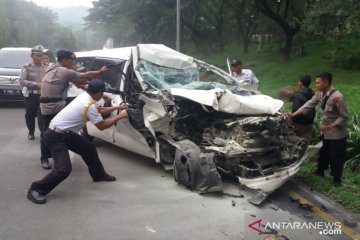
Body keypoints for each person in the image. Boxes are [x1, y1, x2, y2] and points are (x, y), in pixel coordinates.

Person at [27, 79, 128, 204]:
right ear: (98, 93)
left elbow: (99, 111)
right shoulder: (88, 104)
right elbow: (102, 126)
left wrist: (119, 107)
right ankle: (36, 189)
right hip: (55, 136)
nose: (103, 96)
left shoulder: (85, 96)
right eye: (102, 93)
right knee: (63, 169)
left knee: (88, 147)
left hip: (65, 133)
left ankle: (98, 175)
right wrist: (120, 116)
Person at [39, 49, 108, 170]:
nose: (72, 63)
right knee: (48, 134)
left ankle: (60, 154)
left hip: (54, 105)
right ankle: (45, 157)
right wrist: (100, 72)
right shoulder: (64, 71)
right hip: (50, 107)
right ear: (64, 60)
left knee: (58, 131)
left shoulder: (54, 67)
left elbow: (79, 83)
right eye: (71, 60)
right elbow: (84, 76)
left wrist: (96, 91)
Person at [289, 72, 348, 187]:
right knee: (324, 153)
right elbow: (309, 104)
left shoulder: (337, 97)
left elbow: (344, 116)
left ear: (326, 82)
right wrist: (293, 114)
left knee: (336, 156)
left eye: (318, 83)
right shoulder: (320, 93)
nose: (316, 85)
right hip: (325, 131)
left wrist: (330, 127)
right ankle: (320, 171)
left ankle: (337, 179)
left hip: (337, 133)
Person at [19, 45, 47, 140]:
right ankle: (31, 131)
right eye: (37, 55)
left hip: (43, 95)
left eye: (41, 55)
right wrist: (36, 84)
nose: (40, 58)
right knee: (30, 116)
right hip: (31, 95)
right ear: (32, 56)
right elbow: (22, 80)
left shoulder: (46, 67)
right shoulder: (27, 67)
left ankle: (43, 132)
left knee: (43, 114)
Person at [291, 75, 315, 143]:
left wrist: (291, 117)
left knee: (288, 137)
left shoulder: (298, 94)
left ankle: (300, 141)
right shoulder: (312, 93)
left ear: (301, 83)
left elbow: (295, 108)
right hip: (309, 123)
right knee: (306, 144)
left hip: (298, 123)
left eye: (298, 81)